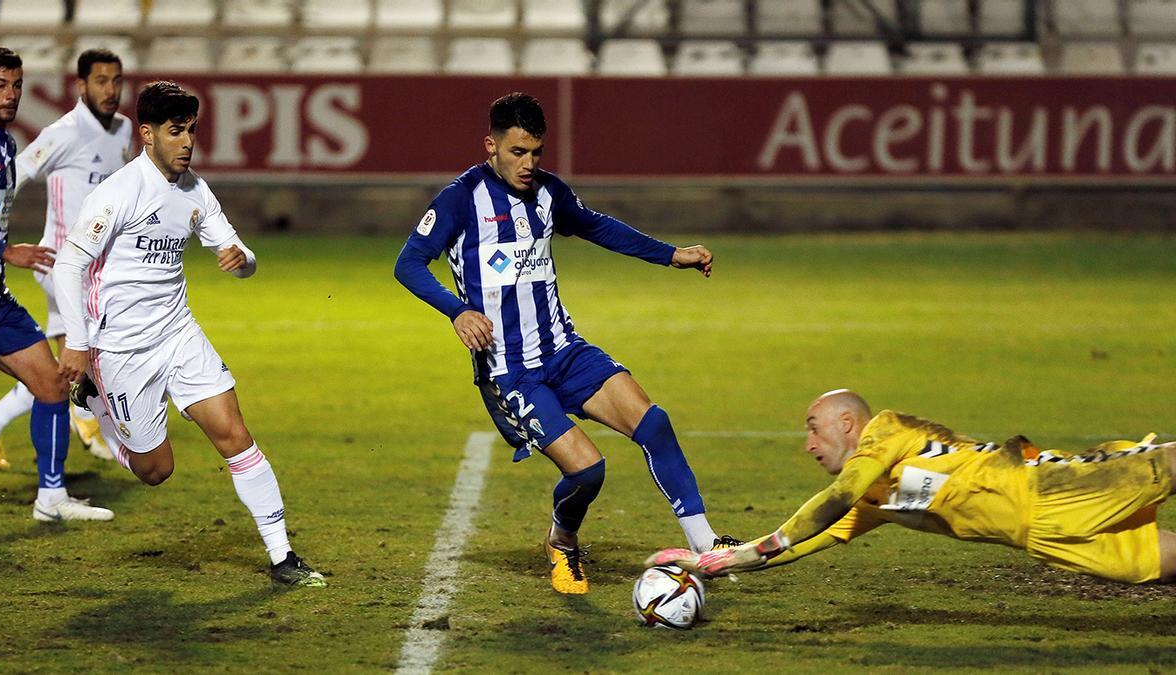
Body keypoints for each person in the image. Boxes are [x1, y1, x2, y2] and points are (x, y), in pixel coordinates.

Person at [394, 92, 738, 595]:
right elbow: (408, 263)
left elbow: (596, 225)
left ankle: (706, 545)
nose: (529, 164)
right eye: (517, 152)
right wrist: (458, 310)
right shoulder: (459, 200)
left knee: (654, 424)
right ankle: (563, 541)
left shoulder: (549, 193)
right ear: (490, 145)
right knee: (587, 470)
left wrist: (671, 255)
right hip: (510, 370)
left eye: (536, 152)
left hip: (564, 350)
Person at [52, 81, 325, 587]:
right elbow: (70, 264)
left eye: (193, 132)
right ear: (147, 133)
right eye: (176, 132)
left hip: (179, 333)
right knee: (156, 471)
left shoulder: (195, 191)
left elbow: (244, 257)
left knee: (234, 433)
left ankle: (283, 556)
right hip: (122, 349)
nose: (187, 143)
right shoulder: (118, 193)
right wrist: (77, 341)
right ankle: (92, 406)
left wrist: (242, 261)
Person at [650, 389, 1176, 585]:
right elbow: (817, 538)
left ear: (849, 424)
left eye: (814, 427)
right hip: (1042, 539)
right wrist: (720, 558)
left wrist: (759, 548)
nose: (808, 444)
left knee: (1165, 468)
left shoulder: (888, 430)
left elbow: (833, 501)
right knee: (1148, 563)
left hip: (1048, 487)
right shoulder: (876, 501)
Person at [0, 48, 132, 467]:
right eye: (101, 80)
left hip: (99, 268)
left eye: (117, 80)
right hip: (60, 264)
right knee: (83, 359)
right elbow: (15, 172)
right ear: (81, 85)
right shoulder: (63, 132)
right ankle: (90, 421)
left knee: (56, 367)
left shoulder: (123, 130)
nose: (111, 89)